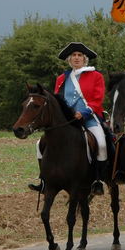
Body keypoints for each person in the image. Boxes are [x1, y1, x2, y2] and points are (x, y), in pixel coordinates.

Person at [30, 42, 108, 195]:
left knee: (102, 144)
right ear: (69, 59)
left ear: (85, 59)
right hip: (66, 122)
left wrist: (83, 113)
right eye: (73, 55)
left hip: (89, 119)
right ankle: (44, 180)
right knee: (40, 143)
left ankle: (97, 180)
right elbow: (57, 101)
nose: (76, 58)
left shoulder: (96, 76)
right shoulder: (61, 78)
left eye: (80, 55)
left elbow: (98, 100)